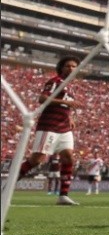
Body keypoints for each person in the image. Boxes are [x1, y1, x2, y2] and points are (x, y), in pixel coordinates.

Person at [14, 56, 82, 206]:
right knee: (36, 160)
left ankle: (63, 195)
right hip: (49, 126)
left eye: (74, 66)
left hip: (64, 127)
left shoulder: (70, 86)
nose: (71, 69)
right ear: (61, 68)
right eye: (68, 66)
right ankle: (7, 186)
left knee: (68, 157)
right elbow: (43, 98)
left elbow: (64, 106)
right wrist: (66, 102)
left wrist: (69, 116)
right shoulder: (56, 81)